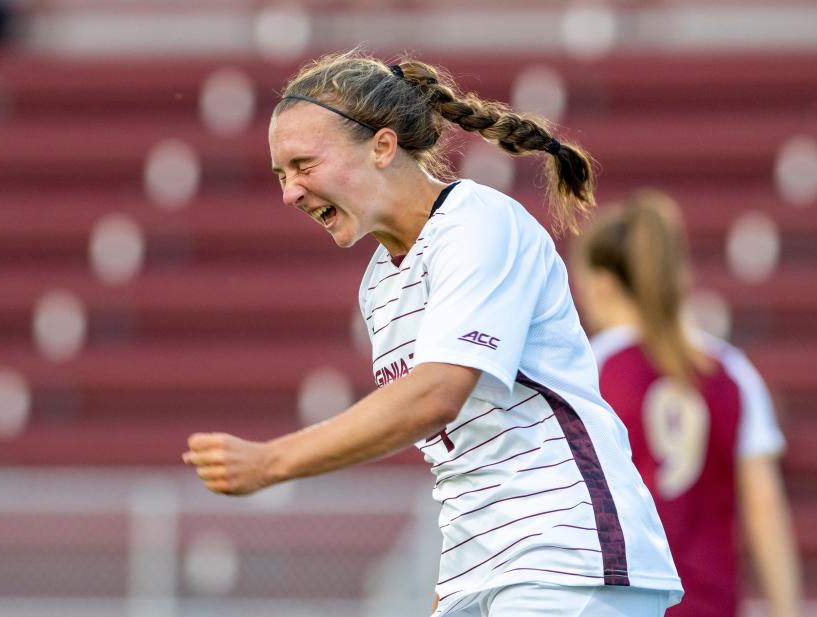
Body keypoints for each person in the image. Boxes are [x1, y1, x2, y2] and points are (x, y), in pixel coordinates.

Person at [182, 50, 683, 616]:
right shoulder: (378, 286)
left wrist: (273, 462)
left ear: (381, 146)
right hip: (484, 570)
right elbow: (458, 452)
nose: (289, 193)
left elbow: (438, 393)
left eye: (303, 164)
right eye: (280, 175)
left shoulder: (477, 224)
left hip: (562, 555)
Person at [571, 190, 802, 617]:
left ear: (602, 284)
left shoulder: (587, 369)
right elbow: (765, 509)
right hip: (710, 603)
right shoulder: (731, 371)